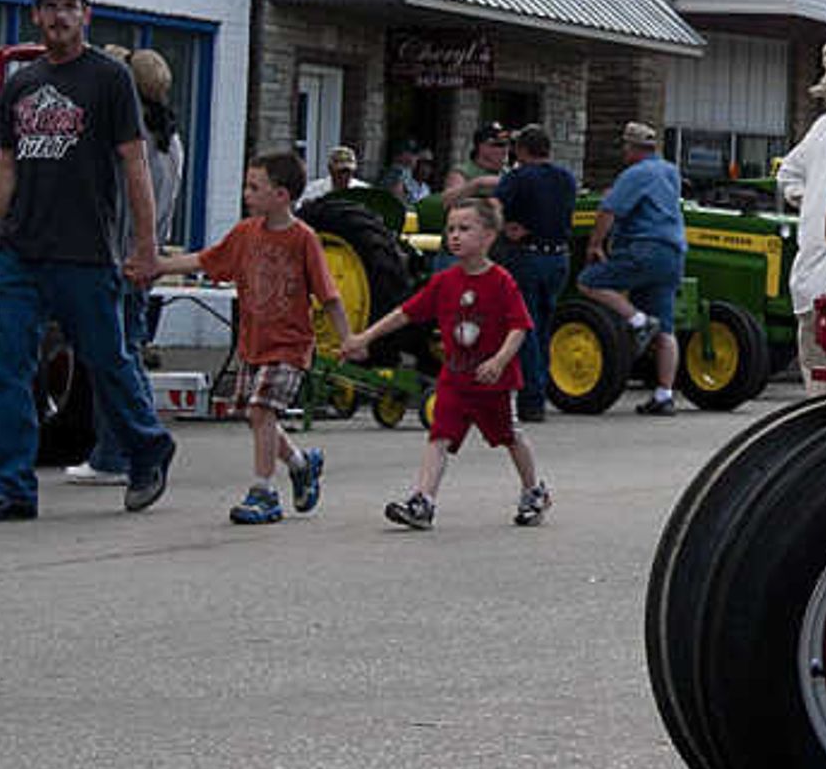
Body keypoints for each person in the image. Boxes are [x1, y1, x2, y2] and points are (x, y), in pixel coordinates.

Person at [0, 0, 172, 521]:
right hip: (20, 252)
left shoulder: (107, 78)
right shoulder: (23, 83)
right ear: (35, 15)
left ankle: (147, 447)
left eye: (68, 5)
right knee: (5, 368)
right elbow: (5, 169)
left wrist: (145, 248)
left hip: (85, 252)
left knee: (105, 360)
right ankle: (9, 486)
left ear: (86, 14)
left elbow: (134, 163)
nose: (58, 16)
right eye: (48, 6)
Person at [153, 150, 335, 525]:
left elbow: (329, 294)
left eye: (255, 187)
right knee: (256, 417)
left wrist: (350, 340)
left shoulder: (304, 240)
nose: (246, 194)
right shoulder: (244, 234)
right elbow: (206, 260)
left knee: (261, 411)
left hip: (289, 344)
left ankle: (264, 493)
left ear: (282, 195)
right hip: (253, 342)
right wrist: (158, 266)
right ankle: (301, 464)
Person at [344, 197, 545, 529]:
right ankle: (423, 501)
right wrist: (364, 338)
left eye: (465, 229)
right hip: (455, 378)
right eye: (450, 229)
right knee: (439, 437)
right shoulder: (444, 281)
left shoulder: (501, 282)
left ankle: (533, 490)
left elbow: (520, 327)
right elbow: (404, 313)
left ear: (489, 236)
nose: (455, 235)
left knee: (510, 435)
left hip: (493, 382)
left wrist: (499, 360)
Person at [72, 46, 186, 491]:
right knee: (128, 351)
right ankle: (126, 446)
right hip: (146, 256)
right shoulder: (171, 140)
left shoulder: (126, 136)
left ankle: (115, 452)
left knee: (112, 357)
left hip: (116, 256)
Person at [579, 121, 687, 415]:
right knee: (666, 327)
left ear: (633, 148)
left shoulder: (635, 174)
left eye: (626, 146)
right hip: (673, 252)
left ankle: (638, 321)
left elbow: (608, 210)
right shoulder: (669, 171)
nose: (624, 152)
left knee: (590, 281)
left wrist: (594, 246)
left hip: (643, 247)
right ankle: (664, 394)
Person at [493, 125, 576, 424]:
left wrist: (503, 229)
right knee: (543, 325)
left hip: (528, 255)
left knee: (524, 327)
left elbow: (493, 208)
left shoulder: (518, 178)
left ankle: (531, 398)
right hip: (559, 258)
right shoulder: (566, 179)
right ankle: (541, 385)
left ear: (522, 150)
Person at [777, 49, 826, 381]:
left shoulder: (825, 127)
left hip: (817, 267)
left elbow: (788, 175)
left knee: (820, 372)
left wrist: (810, 200)